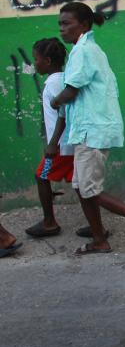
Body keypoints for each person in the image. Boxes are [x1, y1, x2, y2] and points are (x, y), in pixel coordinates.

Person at [50, 2, 125, 253]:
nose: (61, 29)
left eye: (66, 23)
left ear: (83, 24)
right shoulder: (84, 50)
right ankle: (99, 239)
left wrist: (55, 100)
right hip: (90, 128)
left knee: (89, 190)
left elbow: (71, 91)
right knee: (82, 187)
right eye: (60, 24)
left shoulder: (84, 51)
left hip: (92, 130)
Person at [23, 38, 75, 238]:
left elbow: (62, 113)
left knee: (41, 175)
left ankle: (49, 222)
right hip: (68, 144)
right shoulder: (63, 78)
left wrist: (52, 143)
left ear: (47, 60)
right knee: (81, 185)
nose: (35, 63)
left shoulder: (54, 82)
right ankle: (96, 225)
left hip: (61, 146)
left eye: (36, 59)